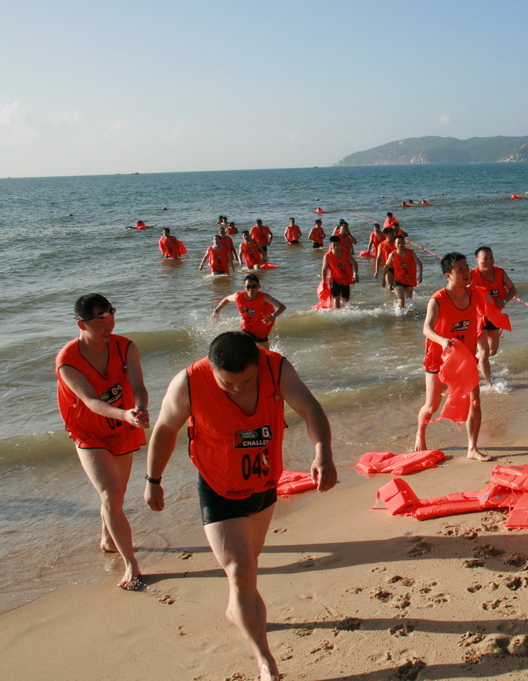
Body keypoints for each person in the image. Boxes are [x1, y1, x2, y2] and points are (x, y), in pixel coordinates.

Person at [145, 331, 337, 681]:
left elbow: (310, 408)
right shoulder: (188, 382)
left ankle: (238, 610)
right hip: (217, 487)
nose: (237, 389)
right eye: (227, 384)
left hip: (264, 485)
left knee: (250, 563)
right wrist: (153, 481)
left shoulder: (276, 368)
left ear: (259, 362)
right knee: (241, 570)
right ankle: (266, 662)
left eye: (247, 381)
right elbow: (164, 430)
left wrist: (322, 451)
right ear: (212, 368)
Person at [56, 294, 149, 590]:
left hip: (122, 426)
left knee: (116, 494)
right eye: (100, 320)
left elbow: (138, 385)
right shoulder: (67, 361)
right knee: (110, 492)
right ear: (81, 324)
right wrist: (125, 413)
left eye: (111, 316)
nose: (109, 324)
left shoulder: (126, 347)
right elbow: (91, 402)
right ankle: (131, 564)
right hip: (89, 431)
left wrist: (141, 408)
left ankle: (108, 539)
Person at [416, 252, 491, 462]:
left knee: (475, 402)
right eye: (461, 270)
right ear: (448, 275)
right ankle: (420, 433)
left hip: (465, 359)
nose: (466, 272)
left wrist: (485, 341)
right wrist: (442, 341)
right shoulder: (438, 300)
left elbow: (485, 315)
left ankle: (472, 448)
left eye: (467, 268)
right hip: (438, 359)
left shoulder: (474, 294)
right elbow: (426, 328)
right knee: (431, 406)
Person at [470, 246, 517, 386]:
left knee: (492, 351)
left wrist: (504, 300)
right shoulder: (471, 275)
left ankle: (475, 360)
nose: (489, 261)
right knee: (484, 353)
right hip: (477, 317)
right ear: (477, 260)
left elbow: (513, 290)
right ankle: (489, 384)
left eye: (491, 258)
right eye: (485, 259)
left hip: (494, 316)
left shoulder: (500, 272)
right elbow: (458, 289)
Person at [212, 274, 286, 349]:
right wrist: (217, 310)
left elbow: (282, 307)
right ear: (244, 287)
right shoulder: (239, 297)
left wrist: (273, 316)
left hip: (262, 330)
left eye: (254, 286)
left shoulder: (264, 297)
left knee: (265, 354)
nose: (251, 289)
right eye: (248, 286)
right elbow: (227, 299)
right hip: (247, 327)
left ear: (258, 286)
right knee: (244, 348)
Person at [386, 234, 422, 309]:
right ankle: (399, 316)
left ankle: (405, 318)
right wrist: (383, 279)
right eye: (398, 243)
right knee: (401, 300)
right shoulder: (392, 255)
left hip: (409, 279)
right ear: (395, 245)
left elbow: (419, 263)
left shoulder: (411, 252)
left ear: (404, 243)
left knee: (408, 301)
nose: (400, 245)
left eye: (402, 243)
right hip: (398, 280)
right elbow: (386, 266)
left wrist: (420, 274)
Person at [321, 235, 358, 307]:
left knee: (346, 301)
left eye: (338, 245)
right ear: (330, 245)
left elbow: (354, 263)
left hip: (346, 278)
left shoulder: (346, 252)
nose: (336, 247)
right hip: (335, 279)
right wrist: (324, 282)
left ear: (340, 244)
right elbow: (324, 269)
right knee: (336, 299)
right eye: (334, 245)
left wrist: (355, 273)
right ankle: (337, 316)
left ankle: (346, 317)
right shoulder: (327, 256)